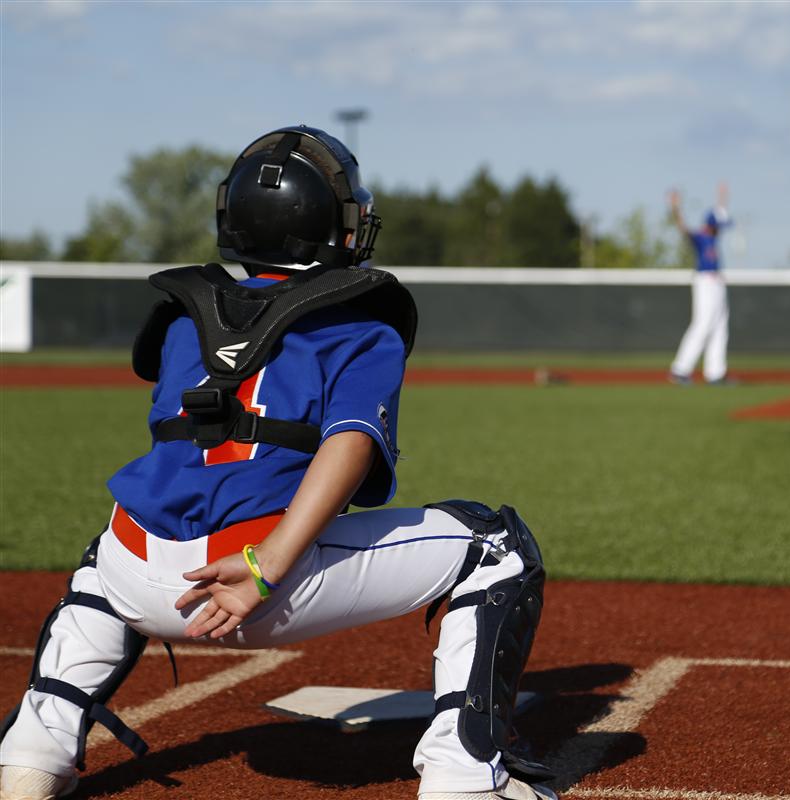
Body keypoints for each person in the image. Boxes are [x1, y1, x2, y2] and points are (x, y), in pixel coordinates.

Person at [0, 126, 554, 800]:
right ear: (330, 227)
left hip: (138, 572)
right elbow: (349, 446)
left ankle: (31, 754)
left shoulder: (183, 319)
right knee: (496, 546)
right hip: (257, 579)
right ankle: (465, 776)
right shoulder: (360, 324)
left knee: (101, 561)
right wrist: (267, 566)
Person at [668, 183, 733, 385]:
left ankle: (716, 373)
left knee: (720, 326)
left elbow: (719, 215)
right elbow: (683, 230)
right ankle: (680, 369)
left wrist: (721, 197)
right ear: (712, 226)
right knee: (703, 324)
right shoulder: (702, 236)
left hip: (717, 281)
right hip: (705, 281)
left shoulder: (713, 235)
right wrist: (676, 207)